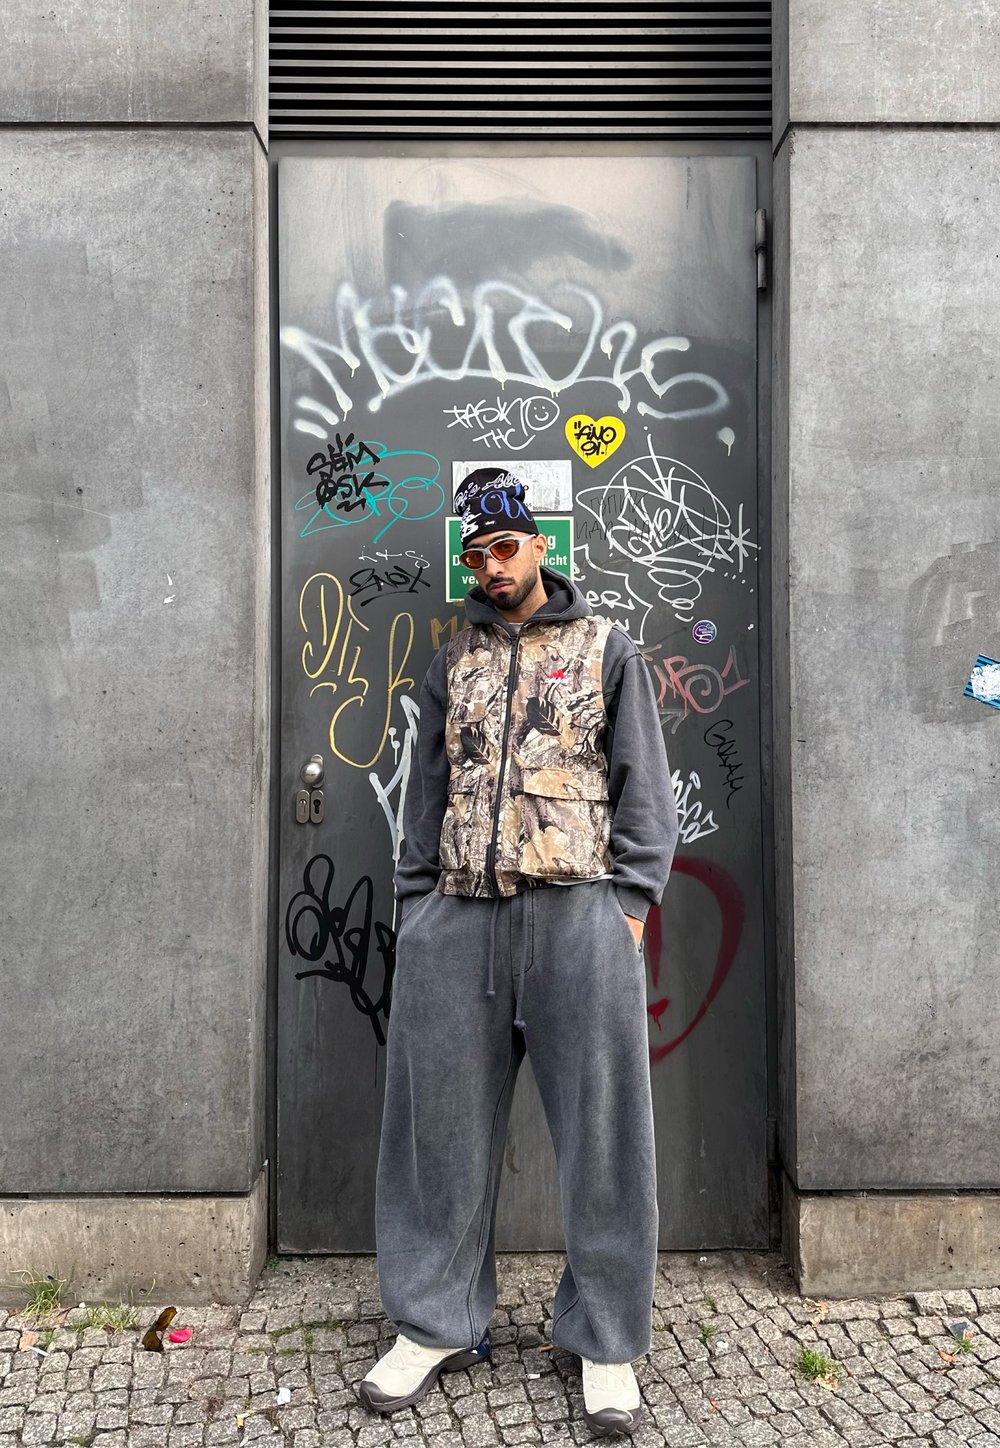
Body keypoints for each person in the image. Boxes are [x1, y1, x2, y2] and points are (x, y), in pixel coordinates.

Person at [359, 466, 679, 1437]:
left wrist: (629, 904)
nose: (490, 566)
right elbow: (425, 785)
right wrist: (416, 905)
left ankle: (606, 1338)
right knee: (438, 1131)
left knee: (602, 1133)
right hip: (457, 917)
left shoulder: (605, 645)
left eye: (504, 547)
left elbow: (644, 785)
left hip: (579, 912)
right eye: (475, 553)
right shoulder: (449, 652)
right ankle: (434, 1319)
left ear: (539, 544)